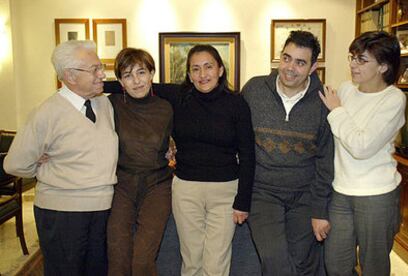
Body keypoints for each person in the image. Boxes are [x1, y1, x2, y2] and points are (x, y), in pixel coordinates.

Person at [105, 44, 255, 276]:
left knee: (216, 263)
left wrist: (243, 201)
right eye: (195, 69)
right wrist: (92, 85)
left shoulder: (237, 104)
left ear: (221, 70)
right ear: (188, 74)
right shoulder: (179, 96)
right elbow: (137, 84)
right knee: (191, 260)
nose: (202, 74)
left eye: (208, 67)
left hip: (225, 191)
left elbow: (248, 155)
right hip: (186, 189)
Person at [3, 40, 118, 275]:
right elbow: (14, 163)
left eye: (100, 67)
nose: (102, 74)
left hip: (102, 207)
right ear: (70, 75)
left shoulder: (104, 103)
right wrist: (39, 167)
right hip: (62, 212)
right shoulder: (46, 113)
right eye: (95, 69)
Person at [241, 30, 334, 275]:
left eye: (300, 62)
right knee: (274, 260)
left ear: (313, 66)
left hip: (305, 194)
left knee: (303, 260)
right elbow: (231, 129)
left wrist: (319, 210)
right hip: (263, 192)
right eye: (286, 58)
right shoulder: (254, 89)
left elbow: (326, 160)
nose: (290, 67)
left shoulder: (324, 101)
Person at [320, 31, 406, 276]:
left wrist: (336, 111)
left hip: (377, 195)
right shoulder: (345, 90)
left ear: (383, 66)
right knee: (335, 264)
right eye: (352, 57)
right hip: (340, 191)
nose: (353, 64)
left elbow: (361, 147)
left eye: (362, 60)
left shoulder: (394, 98)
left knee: (374, 266)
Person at [106, 48, 173, 275]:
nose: (136, 81)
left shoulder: (166, 108)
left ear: (152, 73)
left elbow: (187, 138)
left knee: (143, 260)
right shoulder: (111, 105)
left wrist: (175, 150)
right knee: (117, 256)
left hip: (157, 185)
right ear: (120, 81)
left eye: (141, 72)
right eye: (127, 75)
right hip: (121, 184)